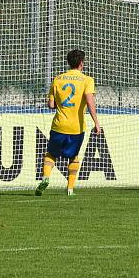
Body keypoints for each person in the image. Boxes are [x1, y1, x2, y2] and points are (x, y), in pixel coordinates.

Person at [36, 49, 100, 196]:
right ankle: (70, 188)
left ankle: (46, 177)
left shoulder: (58, 79)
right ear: (81, 64)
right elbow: (90, 101)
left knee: (51, 154)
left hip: (58, 125)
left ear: (68, 63)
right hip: (76, 127)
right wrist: (96, 122)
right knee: (73, 156)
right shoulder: (87, 80)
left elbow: (51, 105)